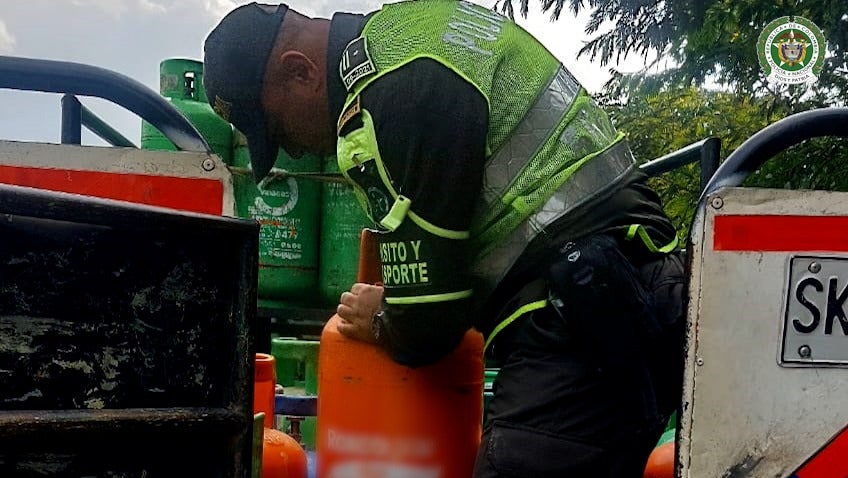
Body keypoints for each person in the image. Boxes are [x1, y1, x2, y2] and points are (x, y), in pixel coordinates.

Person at [203, 2, 687, 476]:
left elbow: (426, 328)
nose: (292, 147)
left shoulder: (387, 97)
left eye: (278, 127)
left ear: (299, 72)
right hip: (641, 284)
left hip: (578, 321)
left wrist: (381, 318)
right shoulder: (412, 32)